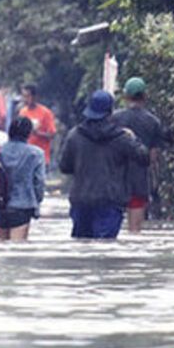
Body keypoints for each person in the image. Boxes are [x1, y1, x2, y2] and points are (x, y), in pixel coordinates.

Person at [58, 89, 148, 239]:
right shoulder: (122, 138)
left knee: (81, 247)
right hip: (110, 201)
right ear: (110, 112)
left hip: (81, 200)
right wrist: (134, 138)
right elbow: (144, 158)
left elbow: (64, 167)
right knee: (105, 248)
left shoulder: (74, 135)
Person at [111, 77, 165, 233]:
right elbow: (153, 156)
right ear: (145, 96)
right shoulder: (153, 122)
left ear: (126, 96)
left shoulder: (115, 118)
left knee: (112, 231)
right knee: (135, 232)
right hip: (139, 179)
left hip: (116, 179)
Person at [0, 116, 46, 241]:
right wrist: (36, 201)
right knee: (17, 250)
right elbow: (39, 182)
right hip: (22, 206)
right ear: (29, 133)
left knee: (1, 249)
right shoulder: (36, 154)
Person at [16, 83, 57, 166]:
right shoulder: (22, 112)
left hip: (41, 158)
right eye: (23, 96)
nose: (25, 99)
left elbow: (52, 135)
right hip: (25, 157)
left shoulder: (46, 113)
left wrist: (37, 133)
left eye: (27, 96)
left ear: (35, 97)